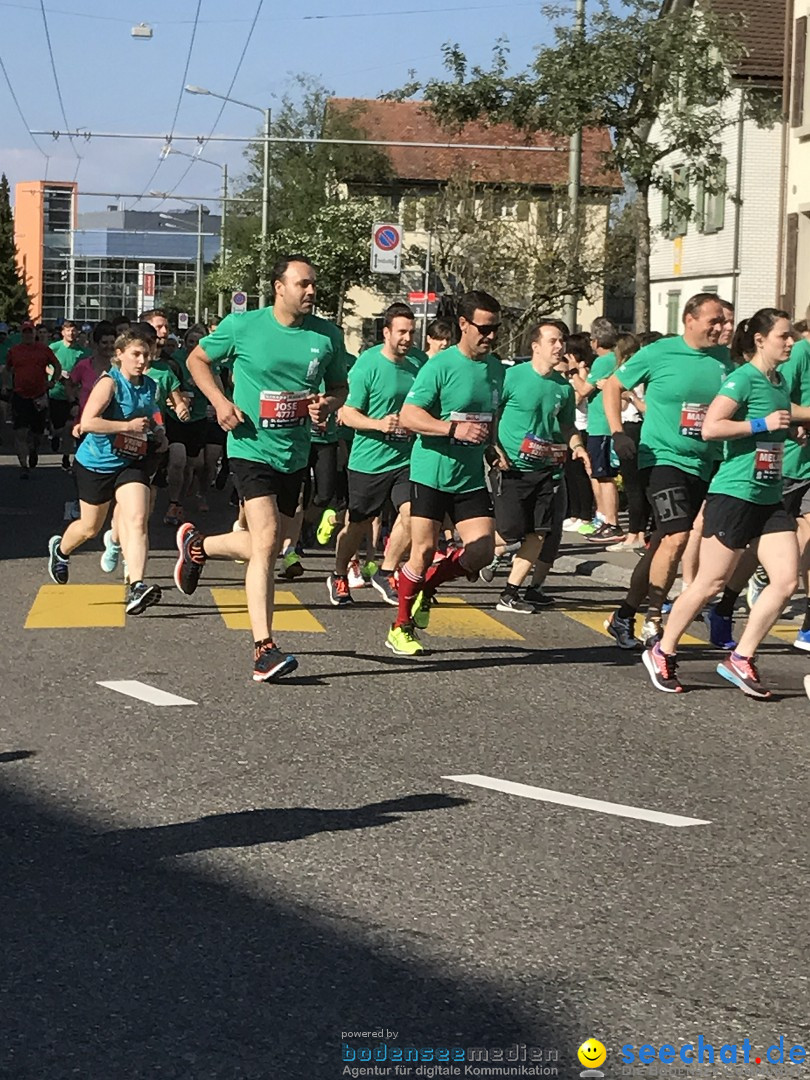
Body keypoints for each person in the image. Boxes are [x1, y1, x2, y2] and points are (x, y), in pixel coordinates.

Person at [172, 254, 350, 683]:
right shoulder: (243, 326)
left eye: (314, 286)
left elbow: (339, 387)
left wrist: (328, 404)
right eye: (303, 284)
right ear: (279, 287)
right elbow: (198, 360)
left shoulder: (327, 336)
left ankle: (199, 546)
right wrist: (219, 402)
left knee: (274, 543)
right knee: (268, 541)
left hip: (295, 451)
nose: (310, 292)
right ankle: (263, 648)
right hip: (250, 446)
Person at [643, 309, 799, 698]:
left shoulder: (777, 381)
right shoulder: (741, 379)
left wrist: (789, 429)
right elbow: (711, 427)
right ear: (761, 339)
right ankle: (662, 650)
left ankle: (740, 658)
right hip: (734, 494)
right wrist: (761, 426)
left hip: (768, 495)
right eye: (783, 336)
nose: (790, 342)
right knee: (709, 582)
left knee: (786, 580)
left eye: (792, 336)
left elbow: (776, 421)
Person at [602, 293, 732, 648]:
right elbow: (613, 385)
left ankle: (624, 615)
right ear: (689, 319)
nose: (720, 328)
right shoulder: (660, 352)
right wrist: (617, 433)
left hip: (704, 463)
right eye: (714, 321)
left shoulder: (723, 359)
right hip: (661, 458)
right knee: (676, 537)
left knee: (662, 543)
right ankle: (654, 618)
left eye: (723, 322)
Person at [385, 290, 504, 658]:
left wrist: (490, 446)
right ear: (464, 325)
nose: (491, 336)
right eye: (484, 328)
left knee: (483, 550)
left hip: (469, 476)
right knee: (421, 551)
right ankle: (400, 627)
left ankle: (426, 586)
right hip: (431, 472)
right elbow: (409, 416)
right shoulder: (439, 366)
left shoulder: (497, 368)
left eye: (496, 328)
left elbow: (487, 416)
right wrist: (453, 430)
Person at [46, 327, 167, 615]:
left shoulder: (150, 385)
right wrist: (126, 427)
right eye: (135, 354)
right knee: (90, 527)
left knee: (137, 519)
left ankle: (137, 585)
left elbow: (151, 415)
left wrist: (159, 432)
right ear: (120, 354)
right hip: (96, 463)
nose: (141, 360)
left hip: (131, 461)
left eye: (146, 355)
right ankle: (61, 550)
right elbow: (88, 422)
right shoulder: (109, 383)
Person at [328, 303, 425, 607]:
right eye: (401, 332)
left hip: (407, 458)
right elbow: (347, 414)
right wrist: (379, 424)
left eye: (412, 332)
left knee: (412, 513)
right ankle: (339, 574)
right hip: (369, 459)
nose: (408, 338)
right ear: (386, 333)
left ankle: (386, 570)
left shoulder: (418, 365)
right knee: (357, 524)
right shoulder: (367, 365)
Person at [489, 319, 590, 612]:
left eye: (562, 341)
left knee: (539, 533)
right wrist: (493, 449)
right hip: (511, 467)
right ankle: (472, 551)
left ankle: (510, 594)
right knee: (510, 531)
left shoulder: (563, 388)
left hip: (547, 469)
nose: (560, 347)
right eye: (553, 341)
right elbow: (492, 414)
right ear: (535, 346)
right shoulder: (512, 377)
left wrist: (578, 447)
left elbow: (567, 424)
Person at [568, 317, 624, 542]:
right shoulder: (614, 360)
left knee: (604, 476)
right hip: (599, 424)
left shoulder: (603, 361)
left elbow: (583, 390)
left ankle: (611, 521)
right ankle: (604, 518)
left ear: (597, 340)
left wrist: (573, 371)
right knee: (599, 474)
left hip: (602, 425)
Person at [607, 333, 648, 550]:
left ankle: (635, 533)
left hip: (634, 428)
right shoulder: (625, 374)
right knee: (633, 483)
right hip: (627, 426)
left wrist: (630, 396)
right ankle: (637, 532)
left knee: (634, 485)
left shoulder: (637, 375)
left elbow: (641, 406)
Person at [4, 320, 60, 478]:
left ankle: (34, 449)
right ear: (21, 334)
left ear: (34, 333)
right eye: (25, 332)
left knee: (37, 433)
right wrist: (7, 384)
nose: (28, 335)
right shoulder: (14, 351)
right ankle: (24, 466)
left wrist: (52, 382)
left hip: (39, 395)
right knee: (20, 432)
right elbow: (7, 369)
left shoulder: (43, 350)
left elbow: (57, 366)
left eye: (30, 332)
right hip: (20, 396)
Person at [48, 319, 87, 469]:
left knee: (70, 426)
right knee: (59, 426)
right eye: (68, 330)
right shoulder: (54, 347)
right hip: (57, 392)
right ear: (63, 332)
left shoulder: (82, 351)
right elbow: (45, 365)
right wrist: (55, 373)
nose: (71, 333)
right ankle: (55, 437)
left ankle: (66, 457)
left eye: (74, 330)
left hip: (74, 394)